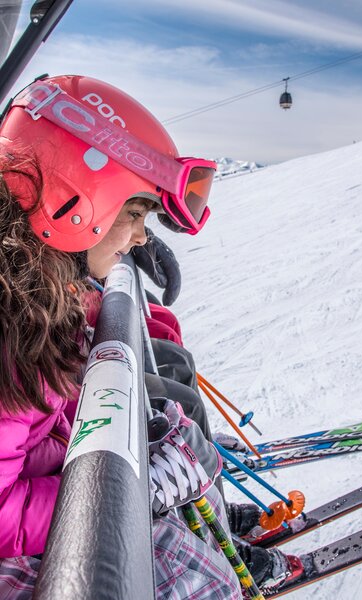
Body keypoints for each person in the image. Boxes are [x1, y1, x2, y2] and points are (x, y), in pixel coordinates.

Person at [0, 73, 302, 599]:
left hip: (32, 504)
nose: (141, 236)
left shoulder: (40, 296)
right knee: (180, 571)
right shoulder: (14, 333)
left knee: (164, 431)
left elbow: (36, 438)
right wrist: (126, 494)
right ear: (76, 201)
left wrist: (135, 454)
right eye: (135, 213)